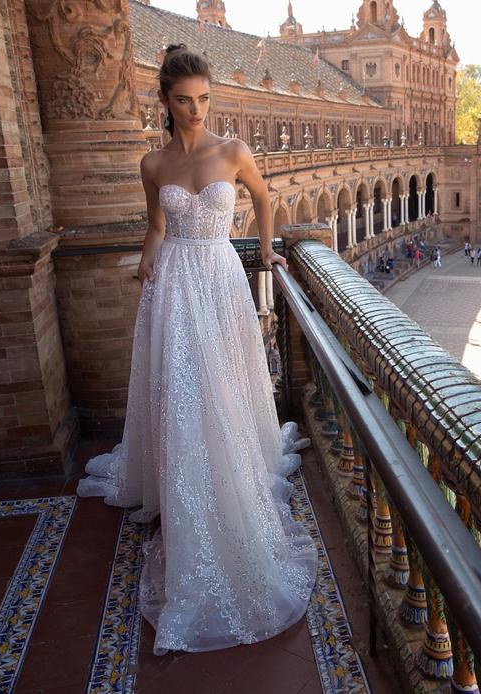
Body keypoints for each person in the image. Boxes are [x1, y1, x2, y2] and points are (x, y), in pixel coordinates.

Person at [76, 45, 317, 656]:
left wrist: (266, 249)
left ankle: (233, 468)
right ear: (165, 100)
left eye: (205, 98)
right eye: (184, 100)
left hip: (222, 277)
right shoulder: (152, 163)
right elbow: (156, 225)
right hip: (175, 285)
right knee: (185, 389)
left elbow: (263, 199)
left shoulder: (233, 151)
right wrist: (147, 263)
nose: (196, 109)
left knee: (224, 380)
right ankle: (190, 484)